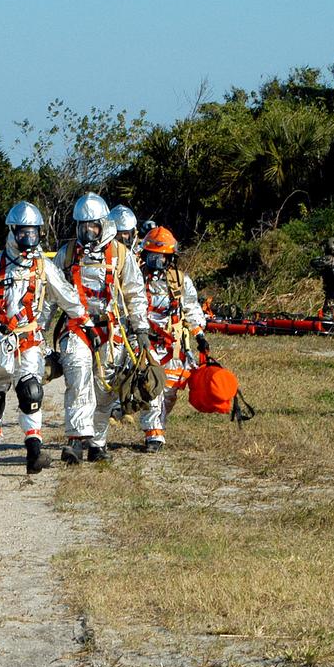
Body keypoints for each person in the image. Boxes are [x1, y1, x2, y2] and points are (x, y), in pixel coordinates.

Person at [0, 202, 93, 474]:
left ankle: (34, 452)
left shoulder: (43, 267)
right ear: (13, 232)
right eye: (24, 235)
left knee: (31, 391)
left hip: (29, 339)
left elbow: (66, 295)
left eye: (34, 235)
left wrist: (86, 322)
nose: (29, 241)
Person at [42, 192, 149, 464]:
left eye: (93, 226)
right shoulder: (66, 255)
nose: (88, 232)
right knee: (78, 380)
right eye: (83, 226)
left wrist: (141, 332)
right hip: (75, 328)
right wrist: (38, 331)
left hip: (111, 330)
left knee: (105, 389)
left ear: (103, 224)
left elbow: (135, 294)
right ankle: (75, 441)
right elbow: (49, 296)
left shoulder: (121, 255)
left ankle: (97, 444)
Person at [137, 227, 210, 453]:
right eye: (152, 257)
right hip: (146, 343)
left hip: (173, 346)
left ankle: (157, 425)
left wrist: (199, 334)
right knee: (152, 388)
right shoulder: (136, 280)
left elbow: (191, 307)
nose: (157, 262)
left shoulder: (180, 281)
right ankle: (154, 435)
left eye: (162, 258)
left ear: (170, 258)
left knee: (169, 392)